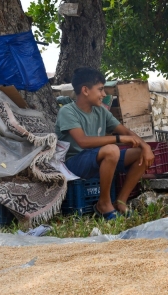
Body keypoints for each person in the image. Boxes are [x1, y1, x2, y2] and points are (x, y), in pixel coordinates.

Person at [55, 67, 154, 220]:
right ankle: (103, 203)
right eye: (100, 89)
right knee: (112, 150)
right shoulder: (68, 111)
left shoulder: (101, 111)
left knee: (139, 154)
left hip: (97, 158)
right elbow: (83, 142)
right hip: (73, 163)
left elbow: (127, 132)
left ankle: (120, 201)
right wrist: (118, 139)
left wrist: (145, 146)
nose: (104, 94)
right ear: (85, 90)